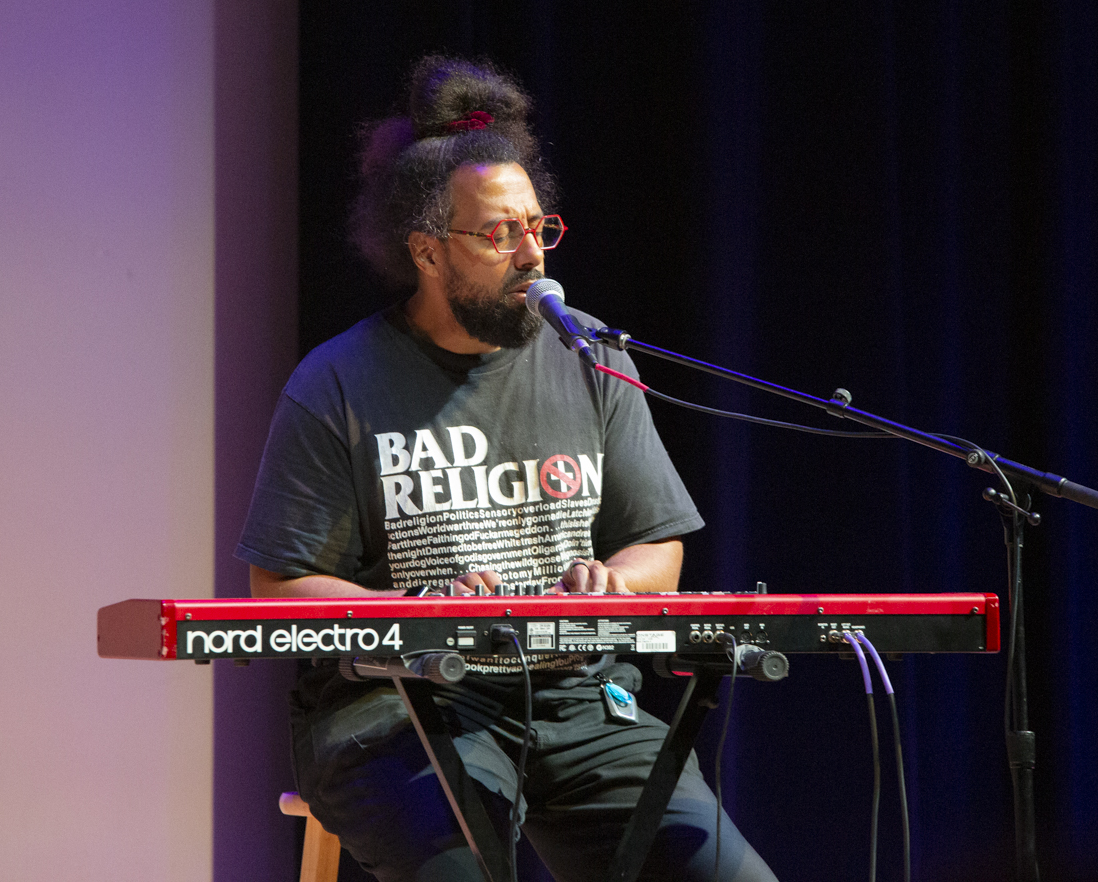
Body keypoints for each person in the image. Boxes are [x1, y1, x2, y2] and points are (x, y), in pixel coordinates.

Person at [236, 55, 778, 882]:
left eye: (538, 226)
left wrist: (615, 584)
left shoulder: (591, 354)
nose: (532, 254)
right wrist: (413, 610)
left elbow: (657, 547)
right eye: (499, 233)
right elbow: (277, 590)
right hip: (405, 707)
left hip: (583, 702)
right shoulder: (337, 383)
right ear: (425, 250)